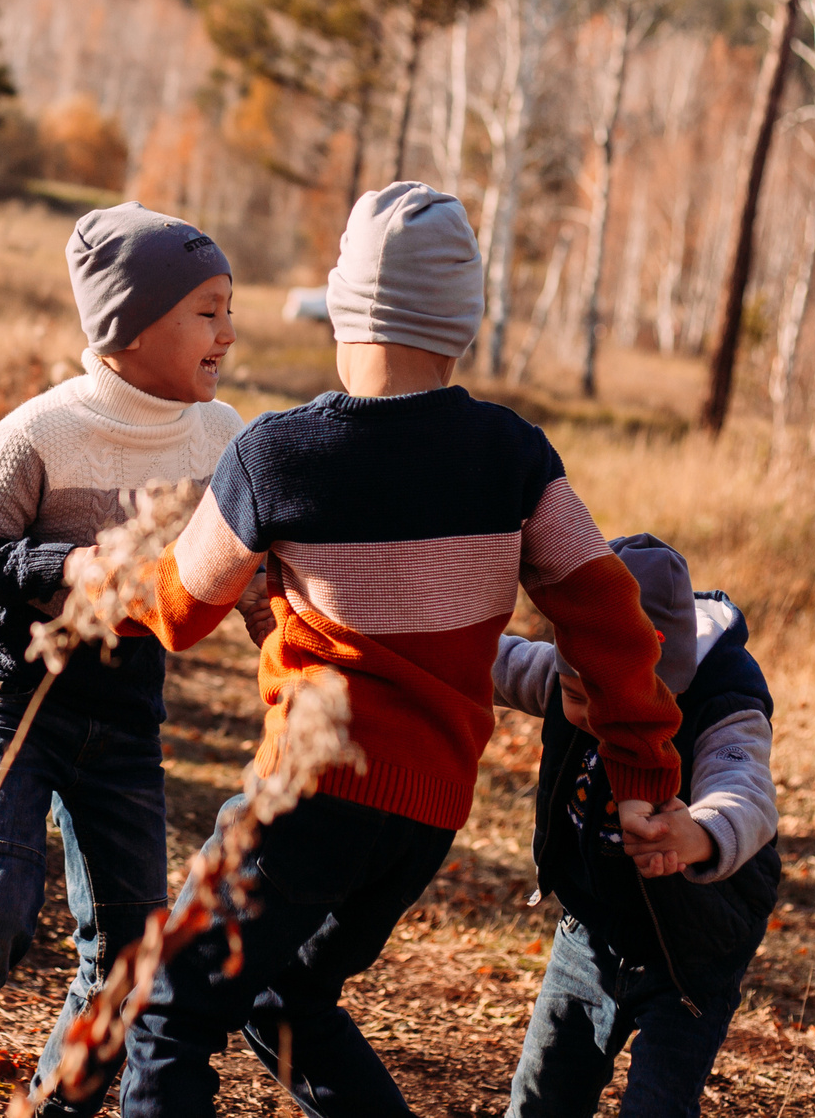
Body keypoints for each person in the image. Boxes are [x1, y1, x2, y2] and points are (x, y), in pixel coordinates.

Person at [114, 182, 685, 1118]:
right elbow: (613, 621)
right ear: (462, 322)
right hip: (424, 817)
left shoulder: (274, 455)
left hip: (308, 799)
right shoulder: (515, 458)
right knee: (284, 993)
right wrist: (643, 772)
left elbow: (179, 610)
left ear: (344, 308)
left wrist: (114, 577)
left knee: (168, 1009)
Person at [0, 202, 244, 1118]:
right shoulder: (43, 429)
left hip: (125, 711)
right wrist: (62, 563)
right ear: (131, 324)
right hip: (15, 693)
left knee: (131, 945)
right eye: (208, 311)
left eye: (228, 310)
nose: (228, 333)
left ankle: (58, 1106)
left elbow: (251, 568)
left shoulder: (222, 438)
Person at [493, 535, 780, 1118]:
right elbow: (490, 661)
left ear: (660, 676)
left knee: (656, 1108)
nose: (594, 714)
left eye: (608, 696)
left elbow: (745, 790)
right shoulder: (567, 669)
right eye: (576, 693)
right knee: (540, 1100)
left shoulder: (723, 703)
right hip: (590, 934)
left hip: (690, 954)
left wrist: (697, 833)